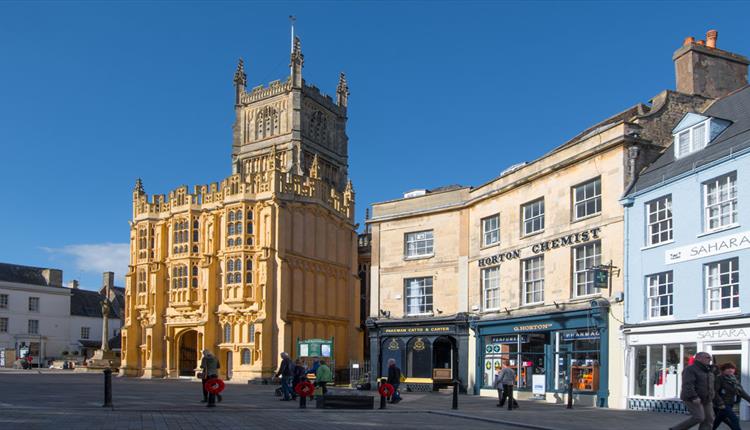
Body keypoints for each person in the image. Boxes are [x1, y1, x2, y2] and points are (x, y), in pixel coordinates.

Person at [671, 352, 715, 430]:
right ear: (699, 358)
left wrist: (714, 397)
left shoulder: (708, 370)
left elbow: (711, 385)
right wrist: (693, 397)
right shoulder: (690, 369)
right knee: (699, 417)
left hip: (707, 399)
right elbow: (687, 385)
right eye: (707, 357)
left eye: (710, 358)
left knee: (709, 419)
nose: (710, 359)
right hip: (693, 398)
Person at [712, 362, 749, 430]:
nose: (730, 370)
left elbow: (741, 392)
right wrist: (720, 403)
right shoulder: (719, 378)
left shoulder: (734, 380)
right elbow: (714, 392)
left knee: (718, 420)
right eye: (728, 368)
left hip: (730, 403)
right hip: (721, 404)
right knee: (734, 419)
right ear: (723, 370)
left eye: (732, 368)